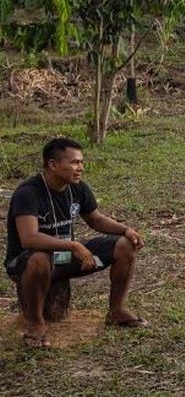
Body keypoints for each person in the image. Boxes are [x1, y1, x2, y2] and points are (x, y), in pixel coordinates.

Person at [5, 137, 146, 348]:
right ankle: (35, 323)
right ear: (53, 165)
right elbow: (29, 238)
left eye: (81, 162)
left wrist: (126, 230)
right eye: (74, 162)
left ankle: (116, 311)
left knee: (123, 245)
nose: (80, 167)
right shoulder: (28, 193)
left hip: (63, 258)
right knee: (40, 259)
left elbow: (95, 219)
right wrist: (74, 245)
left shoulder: (77, 187)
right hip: (26, 263)